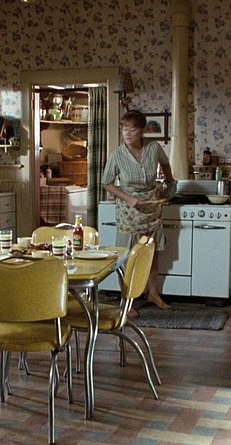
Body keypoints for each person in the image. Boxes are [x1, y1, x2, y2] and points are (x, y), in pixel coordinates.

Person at [102, 110, 175, 311]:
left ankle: (153, 294)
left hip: (152, 207)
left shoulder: (154, 148)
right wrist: (129, 199)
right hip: (129, 210)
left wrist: (169, 184)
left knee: (151, 254)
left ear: (142, 130)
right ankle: (128, 300)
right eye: (124, 128)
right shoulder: (117, 155)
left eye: (132, 129)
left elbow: (166, 165)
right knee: (127, 257)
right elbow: (106, 183)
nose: (127, 133)